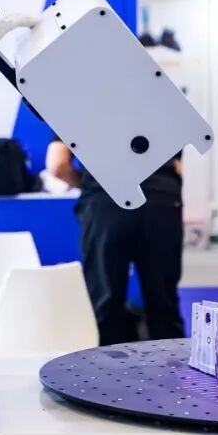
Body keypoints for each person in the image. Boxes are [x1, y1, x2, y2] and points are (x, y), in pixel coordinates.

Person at [46, 140, 184, 346]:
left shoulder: (76, 117)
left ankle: (104, 364)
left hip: (105, 201)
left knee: (105, 303)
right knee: (163, 303)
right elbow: (178, 166)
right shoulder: (168, 116)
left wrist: (89, 184)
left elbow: (57, 165)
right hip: (160, 200)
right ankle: (172, 364)